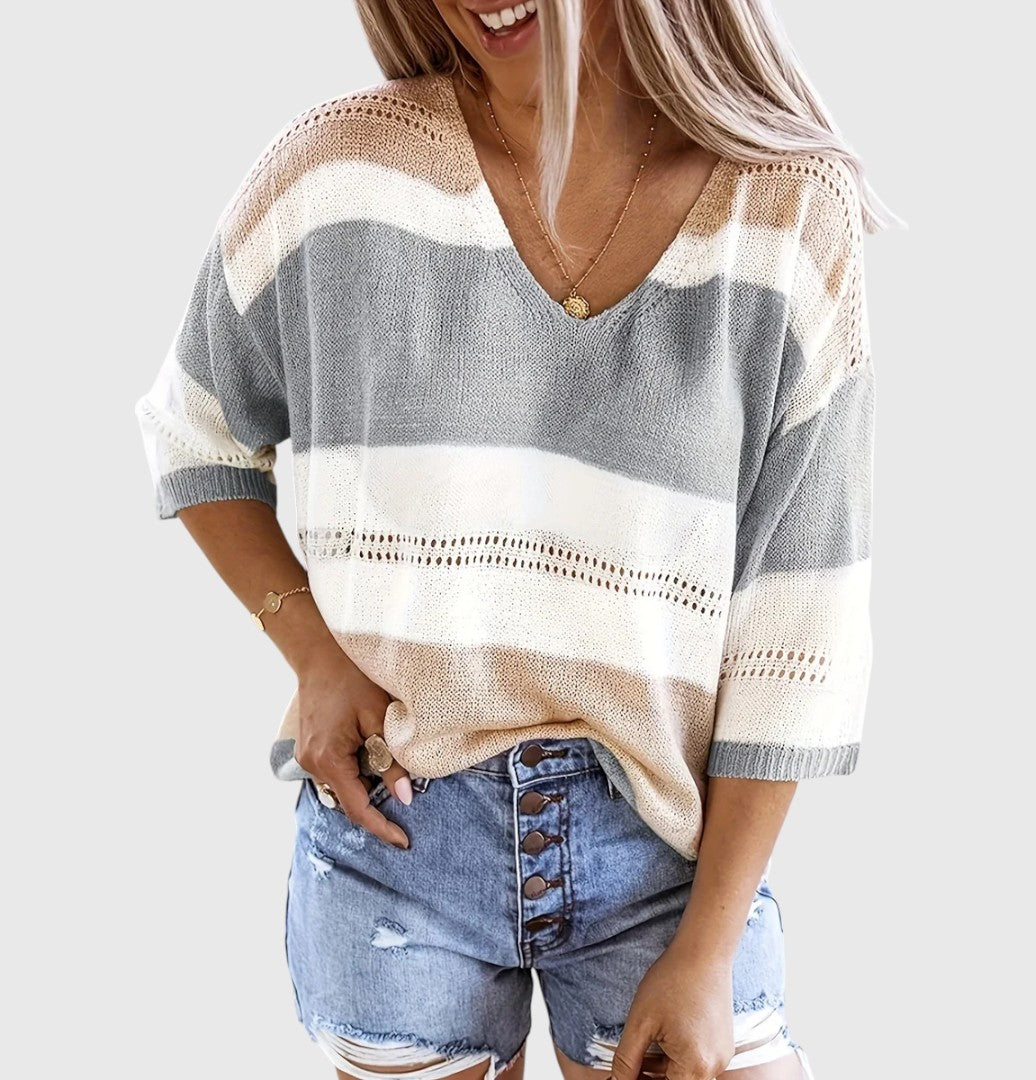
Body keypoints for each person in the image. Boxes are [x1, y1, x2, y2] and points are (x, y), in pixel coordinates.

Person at [134, 2, 894, 1077]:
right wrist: (311, 652)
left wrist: (710, 952)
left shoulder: (784, 212)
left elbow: (797, 631)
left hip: (666, 856)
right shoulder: (336, 177)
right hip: (400, 837)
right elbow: (194, 430)